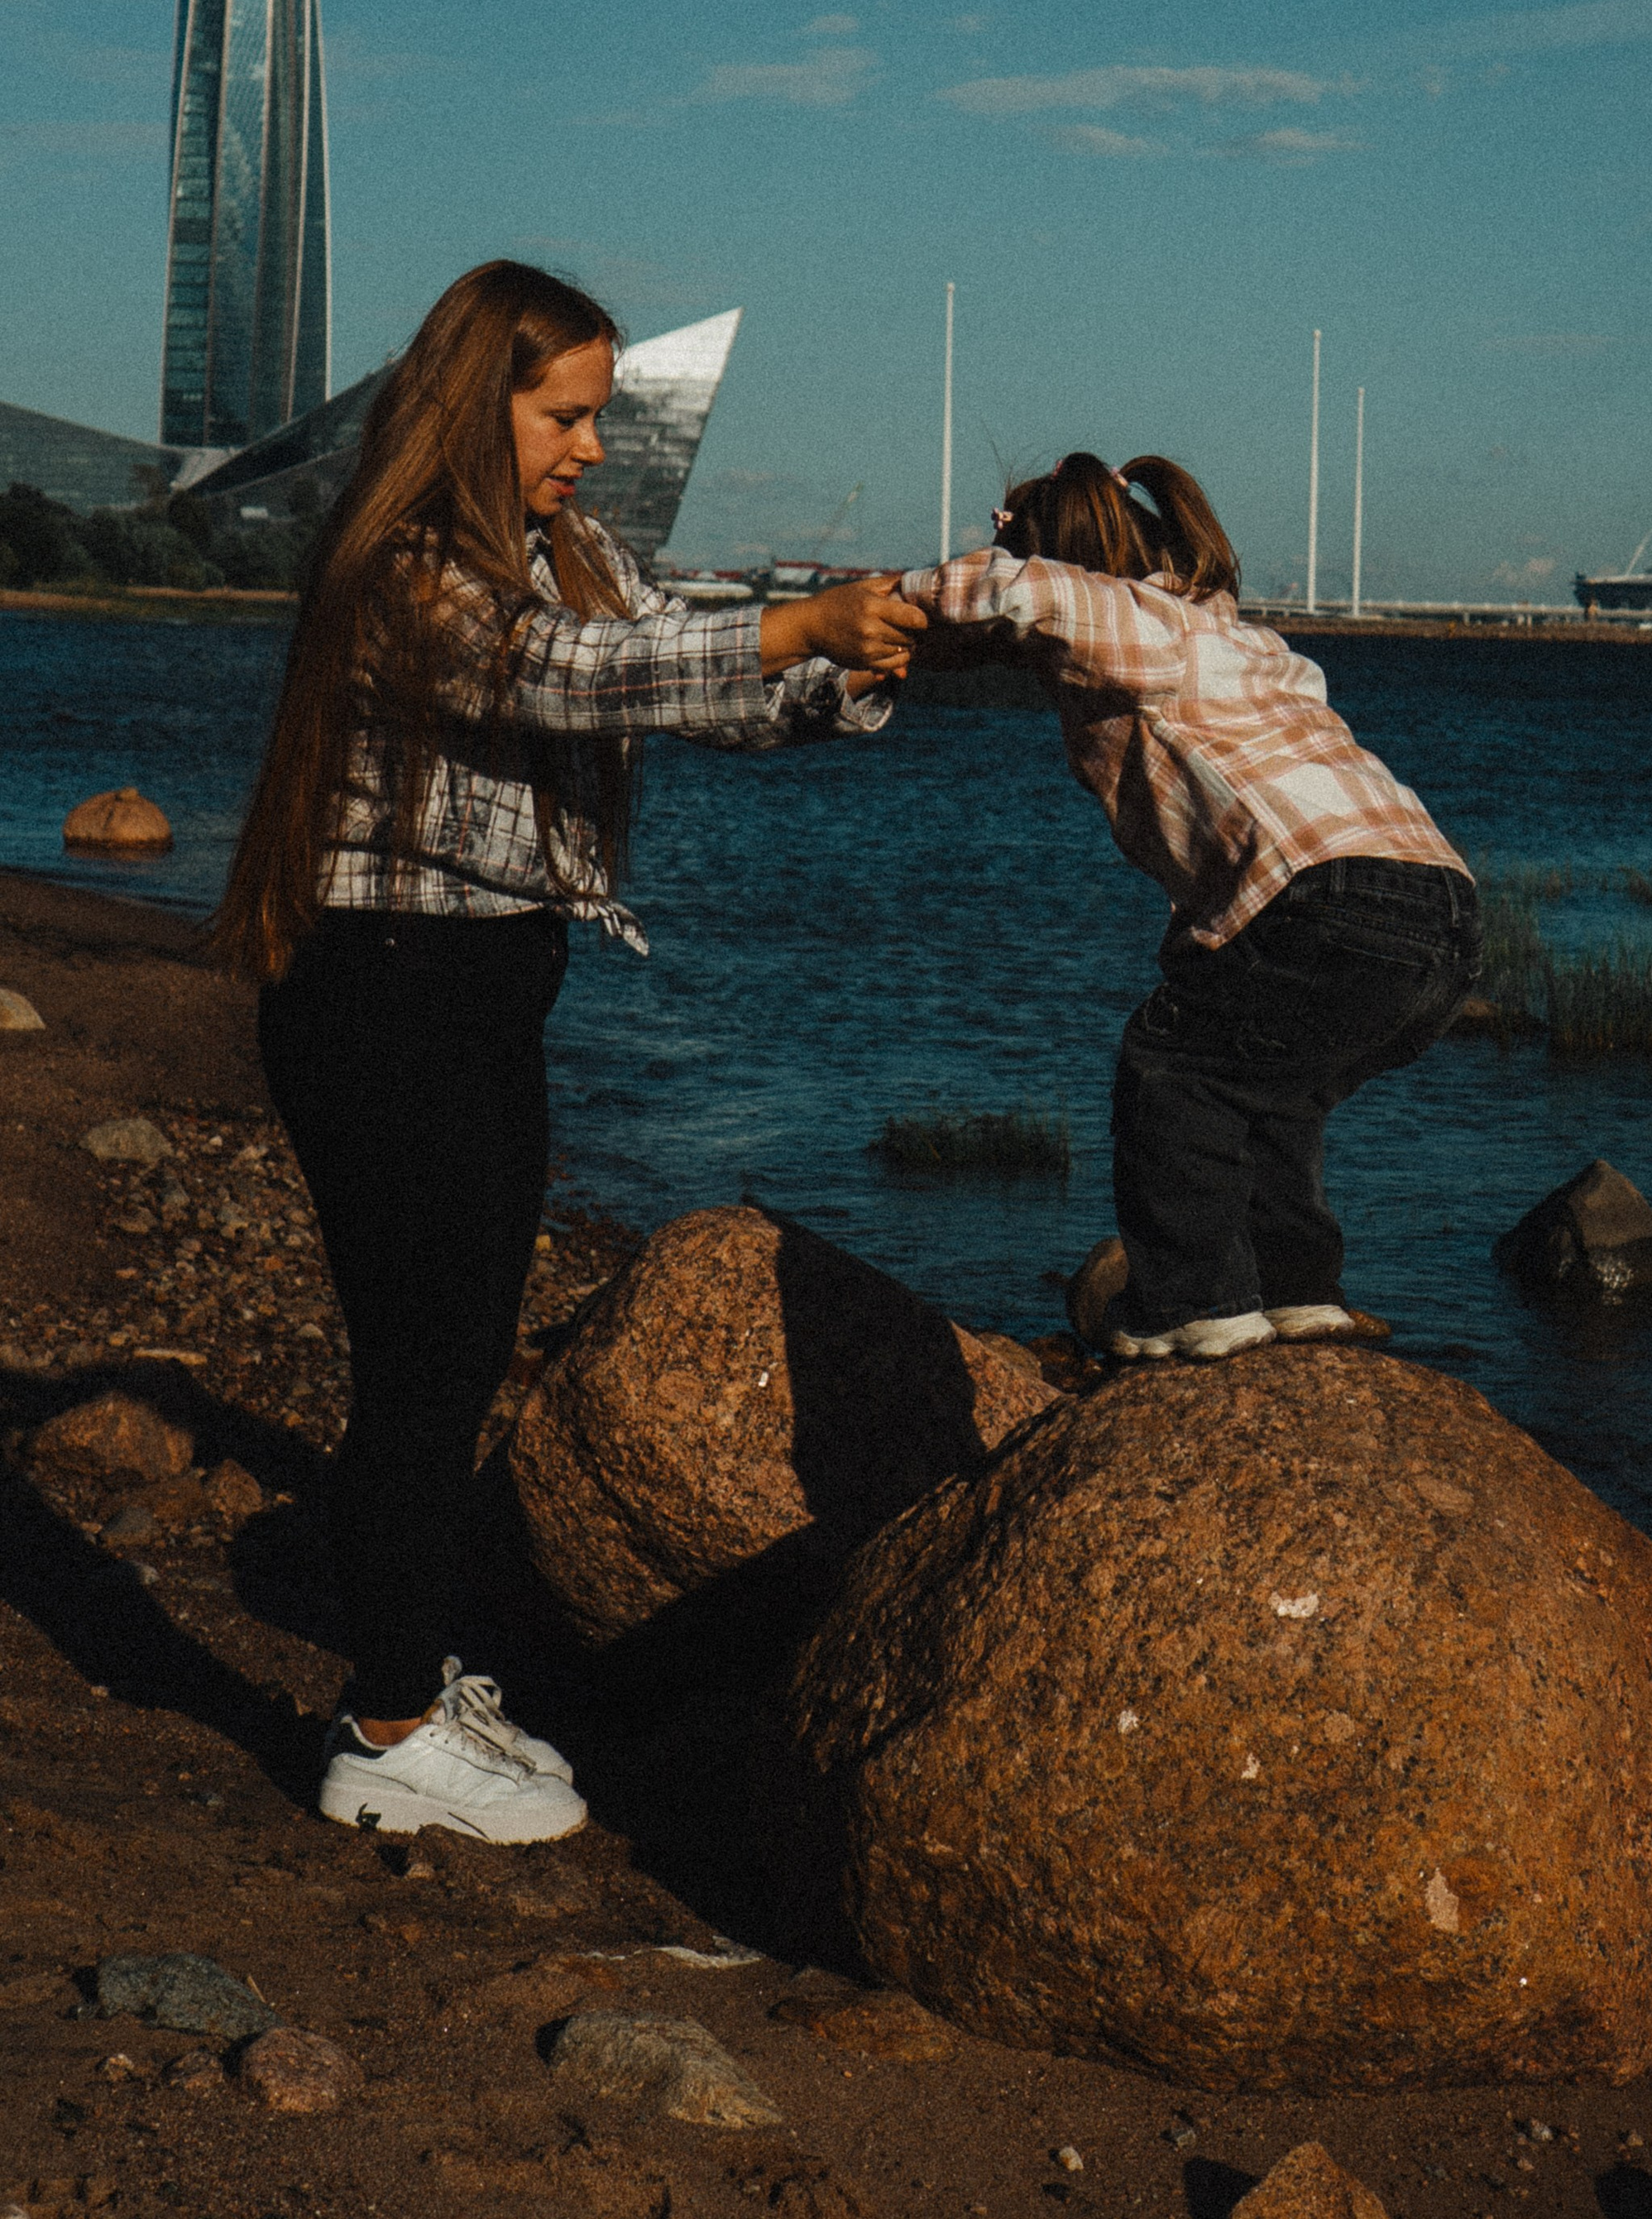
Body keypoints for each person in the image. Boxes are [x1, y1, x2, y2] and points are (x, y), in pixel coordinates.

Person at [212, 261, 925, 1840]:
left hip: (478, 994)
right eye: (567, 415)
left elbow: (687, 682)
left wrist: (852, 670)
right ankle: (390, 1734)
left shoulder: (565, 549)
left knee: (451, 1354)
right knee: (428, 1365)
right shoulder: (403, 563)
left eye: (597, 417)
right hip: (381, 992)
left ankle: (406, 1677)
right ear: (481, 405)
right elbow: (564, 674)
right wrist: (792, 616)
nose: (592, 448)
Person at [898, 453, 1476, 1361]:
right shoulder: (1238, 640)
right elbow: (1225, 864)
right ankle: (1297, 1295)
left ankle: (1194, 1306)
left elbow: (1024, 591)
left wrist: (898, 599)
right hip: (1439, 912)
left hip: (1329, 895)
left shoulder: (1135, 620)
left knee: (1173, 1074)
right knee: (1272, 1099)